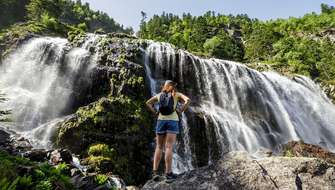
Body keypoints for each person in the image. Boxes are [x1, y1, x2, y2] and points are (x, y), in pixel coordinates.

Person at [146, 80, 191, 183]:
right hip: (172, 121)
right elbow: (188, 100)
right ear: (173, 86)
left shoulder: (159, 95)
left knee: (159, 146)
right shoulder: (176, 94)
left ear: (165, 86)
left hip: (161, 121)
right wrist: (180, 110)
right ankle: (168, 174)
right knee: (169, 147)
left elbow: (148, 103)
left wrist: (156, 112)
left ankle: (154, 173)